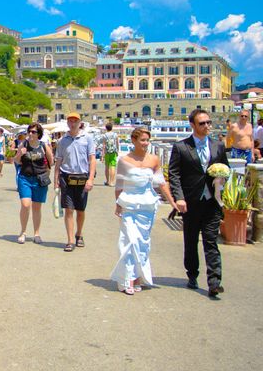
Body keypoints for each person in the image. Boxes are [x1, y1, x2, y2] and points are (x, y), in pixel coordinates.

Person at [168, 109, 229, 299]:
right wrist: (179, 197)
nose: (207, 126)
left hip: (211, 202)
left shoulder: (218, 146)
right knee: (191, 241)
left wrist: (222, 182)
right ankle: (192, 274)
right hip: (190, 202)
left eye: (208, 122)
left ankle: (214, 282)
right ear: (193, 125)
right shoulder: (181, 147)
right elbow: (174, 174)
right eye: (202, 123)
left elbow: (225, 169)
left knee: (211, 241)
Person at [110, 127, 178, 295]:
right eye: (142, 140)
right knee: (129, 241)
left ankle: (138, 276)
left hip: (147, 206)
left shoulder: (154, 160)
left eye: (147, 140)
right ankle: (127, 279)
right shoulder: (124, 160)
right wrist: (118, 204)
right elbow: (119, 185)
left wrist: (172, 202)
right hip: (129, 205)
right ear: (133, 141)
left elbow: (161, 183)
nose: (146, 143)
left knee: (142, 243)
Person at [53, 112, 96, 252]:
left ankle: (79, 233)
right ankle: (70, 240)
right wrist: (56, 180)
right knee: (69, 210)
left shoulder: (87, 138)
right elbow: (58, 160)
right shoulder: (62, 141)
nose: (72, 123)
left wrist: (90, 179)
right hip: (66, 177)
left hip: (82, 177)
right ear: (67, 123)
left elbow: (92, 159)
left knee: (81, 210)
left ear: (80, 123)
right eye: (70, 121)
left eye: (75, 121)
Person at [13, 122, 53, 244]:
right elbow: (16, 160)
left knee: (37, 207)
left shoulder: (44, 146)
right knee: (25, 205)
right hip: (25, 178)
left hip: (39, 179)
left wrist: (47, 174)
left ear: (39, 134)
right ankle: (23, 232)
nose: (30, 134)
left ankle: (36, 233)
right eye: (29, 131)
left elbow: (51, 161)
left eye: (33, 132)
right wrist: (20, 153)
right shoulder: (23, 144)